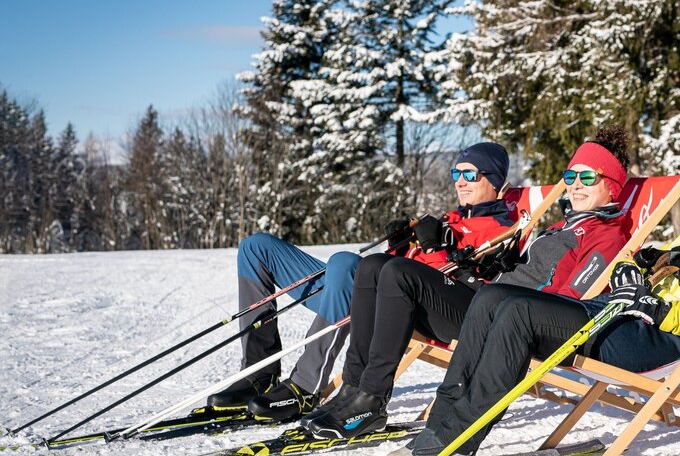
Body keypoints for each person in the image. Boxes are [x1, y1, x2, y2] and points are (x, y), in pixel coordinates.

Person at [382, 134, 680, 456]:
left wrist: (659, 311)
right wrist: (638, 269)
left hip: (656, 337)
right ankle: (439, 424)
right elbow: (650, 270)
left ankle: (456, 442)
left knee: (518, 313)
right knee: (493, 297)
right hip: (622, 314)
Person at [302, 126, 635, 439]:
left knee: (397, 273)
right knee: (375, 264)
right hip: (486, 301)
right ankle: (354, 386)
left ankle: (371, 399)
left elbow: (569, 303)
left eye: (587, 177)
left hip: (504, 321)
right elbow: (532, 272)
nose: (576, 185)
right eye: (571, 176)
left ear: (612, 187)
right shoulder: (562, 226)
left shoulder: (605, 236)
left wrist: (474, 276)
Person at [206, 142, 516, 421]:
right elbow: (393, 264)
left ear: (494, 179)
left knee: (343, 262)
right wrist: (401, 243)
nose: (460, 182)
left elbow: (445, 287)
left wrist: (435, 249)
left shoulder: (498, 229)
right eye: (456, 173)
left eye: (470, 175)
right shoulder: (450, 219)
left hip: (400, 306)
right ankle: (258, 375)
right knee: (256, 247)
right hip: (363, 293)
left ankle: (304, 386)